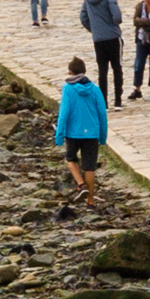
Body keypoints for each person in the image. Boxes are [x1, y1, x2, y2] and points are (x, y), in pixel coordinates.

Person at [51, 58, 107, 208]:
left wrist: (59, 135)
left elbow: (64, 112)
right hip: (92, 133)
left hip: (73, 132)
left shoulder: (68, 89)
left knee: (70, 159)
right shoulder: (95, 89)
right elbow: (102, 113)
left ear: (70, 72)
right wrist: (103, 135)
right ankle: (91, 201)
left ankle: (81, 185)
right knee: (89, 167)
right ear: (84, 71)